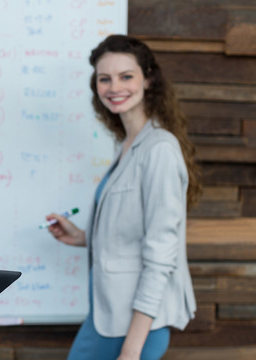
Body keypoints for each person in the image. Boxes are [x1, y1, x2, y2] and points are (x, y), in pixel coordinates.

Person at [46, 35, 201, 360]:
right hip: (109, 317)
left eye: (126, 76)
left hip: (135, 326)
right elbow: (133, 232)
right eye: (105, 78)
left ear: (148, 80)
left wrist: (132, 349)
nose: (114, 86)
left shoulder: (159, 150)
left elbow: (161, 253)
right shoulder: (129, 145)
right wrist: (84, 238)